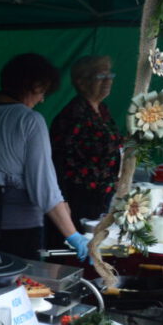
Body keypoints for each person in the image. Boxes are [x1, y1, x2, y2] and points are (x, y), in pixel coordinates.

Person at [0, 53, 88, 261]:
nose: (42, 99)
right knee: (21, 281)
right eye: (42, 91)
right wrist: (73, 235)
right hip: (18, 232)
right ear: (34, 86)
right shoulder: (30, 120)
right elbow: (44, 188)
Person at [49, 55, 123, 229]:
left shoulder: (102, 109)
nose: (108, 81)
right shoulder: (73, 114)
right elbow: (57, 160)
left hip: (103, 196)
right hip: (79, 198)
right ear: (82, 82)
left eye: (110, 75)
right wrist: (62, 200)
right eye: (101, 76)